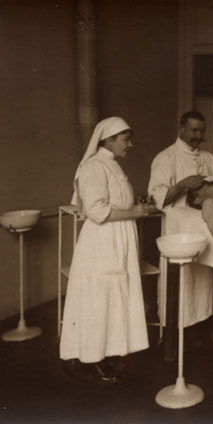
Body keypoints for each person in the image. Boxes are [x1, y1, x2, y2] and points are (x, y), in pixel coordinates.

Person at [60, 117, 156, 384]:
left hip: (119, 237)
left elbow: (116, 203)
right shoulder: (93, 166)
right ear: (108, 140)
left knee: (114, 298)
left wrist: (136, 208)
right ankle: (86, 357)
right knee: (98, 299)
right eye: (126, 139)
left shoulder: (112, 165)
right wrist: (133, 212)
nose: (130, 144)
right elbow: (97, 211)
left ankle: (106, 353)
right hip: (102, 241)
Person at [148, 111, 213, 343]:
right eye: (193, 130)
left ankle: (199, 324)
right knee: (179, 280)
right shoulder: (166, 158)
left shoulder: (208, 158)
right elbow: (157, 198)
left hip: (202, 226)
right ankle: (175, 332)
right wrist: (181, 186)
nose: (198, 135)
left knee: (201, 278)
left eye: (201, 131)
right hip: (177, 229)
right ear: (181, 129)